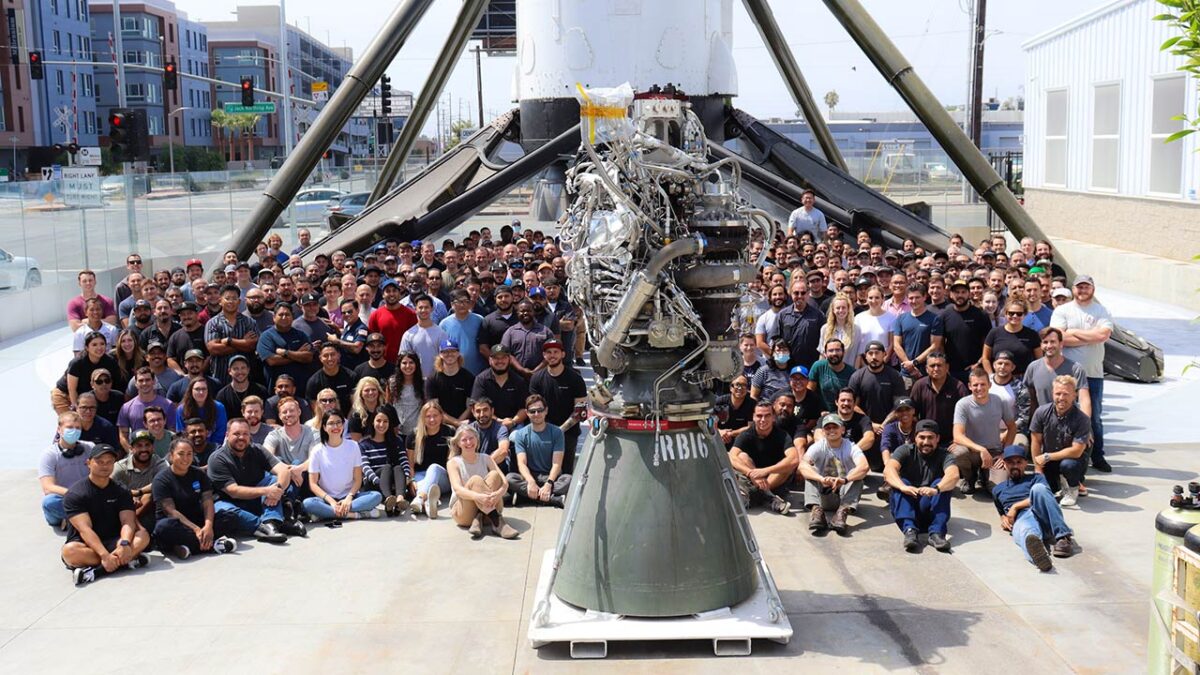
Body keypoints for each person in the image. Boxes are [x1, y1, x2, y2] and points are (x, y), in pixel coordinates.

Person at [59, 444, 152, 586]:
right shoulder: (75, 494)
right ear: (88, 463)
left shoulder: (121, 490)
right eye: (100, 462)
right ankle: (126, 562)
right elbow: (85, 530)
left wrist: (125, 544)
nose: (105, 465)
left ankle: (95, 572)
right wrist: (104, 555)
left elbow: (128, 521)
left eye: (109, 462)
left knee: (143, 536)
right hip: (87, 546)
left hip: (114, 542)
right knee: (69, 552)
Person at [1050, 275, 1112, 473]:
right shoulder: (1062, 310)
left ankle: (1098, 455)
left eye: (1086, 286)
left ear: (1093, 289)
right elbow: (1059, 338)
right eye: (1079, 287)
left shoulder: (1101, 311)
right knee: (1060, 414)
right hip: (1065, 374)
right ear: (1073, 289)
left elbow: (1103, 335)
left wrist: (1074, 332)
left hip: (1093, 373)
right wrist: (1090, 337)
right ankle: (1061, 455)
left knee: (1093, 417)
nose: (1082, 290)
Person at [992, 445, 1077, 571]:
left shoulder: (1036, 478)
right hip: (1022, 519)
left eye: (1019, 462)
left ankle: (1063, 537)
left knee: (1038, 489)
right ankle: (1039, 558)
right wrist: (1004, 519)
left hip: (1042, 514)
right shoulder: (997, 490)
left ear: (1026, 463)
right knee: (1027, 533)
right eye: (1010, 462)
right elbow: (1002, 513)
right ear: (1004, 464)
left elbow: (1044, 497)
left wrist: (1015, 506)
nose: (1015, 465)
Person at [152, 437, 239, 559]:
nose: (185, 458)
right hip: (176, 523)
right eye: (181, 454)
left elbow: (208, 501)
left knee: (230, 517)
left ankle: (189, 546)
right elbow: (171, 512)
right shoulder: (161, 480)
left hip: (196, 518)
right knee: (163, 529)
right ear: (171, 456)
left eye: (189, 454)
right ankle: (213, 544)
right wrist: (196, 529)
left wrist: (208, 526)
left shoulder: (199, 474)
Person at [884, 419, 959, 553]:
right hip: (907, 506)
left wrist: (936, 489)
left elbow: (953, 475)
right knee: (902, 482)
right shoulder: (904, 450)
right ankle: (910, 531)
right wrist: (903, 487)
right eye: (922, 437)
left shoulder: (945, 455)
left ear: (937, 439)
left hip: (929, 508)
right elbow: (889, 470)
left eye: (930, 437)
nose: (926, 442)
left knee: (941, 483)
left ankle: (936, 533)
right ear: (915, 437)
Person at [302, 412, 383, 521]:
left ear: (343, 425)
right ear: (325, 427)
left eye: (338, 423)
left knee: (376, 496)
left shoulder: (353, 446)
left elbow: (358, 480)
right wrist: (332, 502)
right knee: (308, 503)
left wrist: (348, 498)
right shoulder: (317, 450)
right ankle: (355, 515)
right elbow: (313, 484)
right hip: (327, 499)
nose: (335, 427)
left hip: (350, 497)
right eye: (331, 423)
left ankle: (326, 514)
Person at [799, 414, 870, 534]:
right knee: (810, 472)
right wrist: (821, 479)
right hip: (822, 496)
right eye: (828, 428)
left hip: (843, 496)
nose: (831, 430)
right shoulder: (818, 446)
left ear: (842, 429)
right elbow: (802, 465)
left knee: (857, 475)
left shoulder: (851, 447)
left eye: (835, 427)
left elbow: (864, 467)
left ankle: (842, 514)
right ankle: (817, 512)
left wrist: (845, 480)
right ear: (823, 431)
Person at [951, 368, 1016, 495]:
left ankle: (986, 478)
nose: (979, 388)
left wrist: (1005, 453)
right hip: (973, 452)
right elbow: (957, 435)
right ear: (969, 386)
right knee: (958, 453)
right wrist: (981, 449)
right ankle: (970, 479)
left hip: (995, 453)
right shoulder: (962, 404)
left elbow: (1012, 427)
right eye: (975, 385)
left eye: (983, 384)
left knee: (997, 491)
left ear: (989, 385)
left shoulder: (1000, 401)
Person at [447, 425, 518, 539]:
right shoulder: (453, 463)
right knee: (476, 480)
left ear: (477, 439)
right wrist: (478, 497)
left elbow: (504, 482)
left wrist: (499, 493)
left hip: (488, 508)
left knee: (494, 475)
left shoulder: (486, 458)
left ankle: (479, 517)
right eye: (464, 440)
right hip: (464, 512)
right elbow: (458, 490)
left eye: (471, 438)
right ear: (458, 443)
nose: (468, 442)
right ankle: (497, 522)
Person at [1030, 375, 1091, 507]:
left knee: (1068, 465)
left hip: (1073, 460)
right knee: (1044, 490)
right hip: (1050, 461)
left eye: (1066, 394)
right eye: (1058, 393)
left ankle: (1073, 489)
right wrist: (1038, 468)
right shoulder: (1041, 412)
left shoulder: (1082, 419)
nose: (1061, 398)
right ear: (1052, 394)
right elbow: (1036, 441)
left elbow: (1076, 451)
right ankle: (1059, 483)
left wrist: (1047, 456)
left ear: (1074, 395)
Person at [529, 339, 588, 474]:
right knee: (541, 472)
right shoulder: (537, 379)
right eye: (548, 352)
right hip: (542, 430)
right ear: (544, 355)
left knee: (566, 474)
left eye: (556, 352)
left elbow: (580, 411)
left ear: (563, 354)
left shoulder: (575, 379)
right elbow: (534, 408)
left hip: (568, 432)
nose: (552, 355)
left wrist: (559, 431)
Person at [729, 401, 798, 515]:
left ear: (774, 417)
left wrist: (765, 471)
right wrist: (751, 473)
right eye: (759, 416)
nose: (763, 420)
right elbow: (731, 456)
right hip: (753, 478)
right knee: (742, 456)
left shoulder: (782, 435)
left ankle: (758, 495)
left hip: (774, 479)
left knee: (787, 466)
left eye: (767, 415)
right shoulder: (747, 434)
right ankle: (769, 497)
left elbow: (794, 459)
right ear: (753, 417)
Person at [506, 394, 571, 508]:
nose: (536, 414)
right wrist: (531, 482)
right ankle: (551, 499)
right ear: (527, 413)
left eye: (540, 410)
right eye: (532, 411)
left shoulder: (557, 432)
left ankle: (526, 496)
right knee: (510, 478)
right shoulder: (521, 434)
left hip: (551, 477)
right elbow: (521, 463)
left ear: (546, 411)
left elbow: (557, 463)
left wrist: (549, 484)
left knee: (568, 480)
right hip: (530, 477)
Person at [1025, 327, 1092, 426]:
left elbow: (1084, 400)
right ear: (1041, 345)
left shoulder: (1075, 369)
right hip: (1043, 425)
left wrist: (1085, 426)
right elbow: (1030, 400)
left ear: (1061, 344)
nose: (1049, 345)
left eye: (1053, 342)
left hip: (1069, 425)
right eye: (1045, 342)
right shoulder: (1033, 368)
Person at [40, 411, 94, 529]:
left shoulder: (90, 447)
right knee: (49, 502)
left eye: (78, 428)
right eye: (69, 427)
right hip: (63, 499)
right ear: (59, 429)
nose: (74, 431)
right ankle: (80, 520)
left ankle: (75, 521)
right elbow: (48, 487)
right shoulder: (50, 454)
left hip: (87, 498)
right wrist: (74, 494)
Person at [203, 284, 260, 388]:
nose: (231, 301)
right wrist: (243, 343)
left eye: (234, 298)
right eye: (227, 298)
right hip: (220, 377)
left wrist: (229, 341)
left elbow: (252, 346)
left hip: (246, 378)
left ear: (239, 301)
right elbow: (213, 349)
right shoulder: (213, 323)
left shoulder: (249, 322)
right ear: (220, 300)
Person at [359, 409, 411, 516]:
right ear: (372, 422)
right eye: (378, 421)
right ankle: (388, 499)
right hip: (374, 483)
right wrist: (379, 482)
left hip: (393, 485)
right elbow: (365, 467)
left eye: (385, 421)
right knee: (387, 467)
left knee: (398, 468)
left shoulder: (397, 440)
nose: (382, 424)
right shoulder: (364, 444)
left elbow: (404, 461)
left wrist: (406, 477)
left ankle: (399, 500)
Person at [112, 430, 167, 531]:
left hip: (152, 513)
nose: (144, 449)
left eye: (147, 445)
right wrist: (128, 496)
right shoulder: (120, 467)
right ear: (131, 448)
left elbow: (162, 482)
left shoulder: (160, 463)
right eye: (139, 446)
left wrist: (138, 492)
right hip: (123, 510)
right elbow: (108, 486)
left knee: (152, 493)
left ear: (153, 447)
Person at [407, 401, 455, 518]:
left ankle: (420, 498)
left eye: (435, 416)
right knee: (423, 484)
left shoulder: (449, 432)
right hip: (420, 475)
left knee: (434, 467)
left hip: (442, 477)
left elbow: (451, 461)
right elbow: (411, 465)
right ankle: (428, 504)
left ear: (441, 416)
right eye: (428, 416)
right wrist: (411, 480)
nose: (432, 419)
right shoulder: (414, 435)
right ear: (423, 418)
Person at [938, 279, 992, 382]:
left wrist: (979, 363)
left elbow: (988, 343)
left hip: (975, 369)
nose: (960, 295)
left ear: (969, 294)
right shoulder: (944, 315)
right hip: (951, 370)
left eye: (963, 292)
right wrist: (944, 364)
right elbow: (939, 344)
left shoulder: (981, 315)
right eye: (957, 292)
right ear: (951, 295)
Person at [53, 331, 120, 412]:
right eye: (94, 345)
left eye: (102, 344)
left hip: (86, 396)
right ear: (87, 347)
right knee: (72, 422)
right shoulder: (77, 363)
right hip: (65, 395)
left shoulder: (110, 361)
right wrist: (76, 409)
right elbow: (72, 389)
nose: (99, 347)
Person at [848, 340, 908, 431]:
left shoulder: (895, 376)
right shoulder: (857, 376)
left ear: (884, 354)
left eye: (877, 353)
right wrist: (870, 424)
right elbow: (853, 405)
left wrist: (883, 425)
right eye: (870, 353)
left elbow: (900, 404)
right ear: (865, 356)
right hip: (863, 427)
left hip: (889, 427)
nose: (874, 357)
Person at [257, 303, 316, 390]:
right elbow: (272, 360)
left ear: (293, 317)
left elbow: (308, 357)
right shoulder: (266, 336)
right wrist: (298, 353)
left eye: (287, 314)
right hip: (277, 389)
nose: (284, 317)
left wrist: (285, 353)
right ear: (274, 317)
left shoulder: (301, 335)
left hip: (300, 388)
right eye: (281, 315)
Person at [909, 352, 967, 441]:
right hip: (926, 440)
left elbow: (966, 416)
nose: (936, 369)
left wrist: (958, 439)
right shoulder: (919, 385)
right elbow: (912, 414)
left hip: (951, 440)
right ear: (926, 368)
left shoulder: (958, 387)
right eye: (932, 366)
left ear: (947, 367)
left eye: (939, 365)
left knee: (961, 452)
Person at [893, 283, 945, 379]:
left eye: (917, 297)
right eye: (911, 298)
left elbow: (935, 346)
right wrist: (909, 366)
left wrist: (914, 362)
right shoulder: (901, 318)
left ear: (924, 297)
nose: (914, 301)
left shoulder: (934, 319)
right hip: (906, 373)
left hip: (926, 373)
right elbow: (896, 345)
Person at [471, 345, 529, 430]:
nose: (500, 361)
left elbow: (524, 408)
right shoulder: (481, 380)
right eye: (496, 358)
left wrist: (513, 422)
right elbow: (477, 407)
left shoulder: (519, 381)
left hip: (514, 424)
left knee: (516, 437)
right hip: (487, 423)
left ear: (509, 359)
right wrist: (499, 421)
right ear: (490, 360)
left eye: (503, 358)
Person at [983, 299, 1043, 377]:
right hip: (998, 379)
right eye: (1011, 313)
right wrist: (991, 376)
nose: (1015, 316)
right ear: (1005, 314)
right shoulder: (994, 333)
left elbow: (1039, 360)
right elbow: (985, 358)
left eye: (1019, 314)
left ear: (1024, 315)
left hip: (1023, 379)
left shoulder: (1032, 335)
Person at [773, 278, 824, 369]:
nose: (799, 296)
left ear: (808, 294)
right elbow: (776, 340)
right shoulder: (782, 315)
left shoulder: (818, 315)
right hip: (787, 365)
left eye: (803, 293)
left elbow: (823, 341)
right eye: (796, 293)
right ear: (791, 294)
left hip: (811, 365)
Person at [368, 279, 419, 363]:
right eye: (388, 291)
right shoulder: (375, 315)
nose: (391, 294)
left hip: (405, 363)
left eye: (394, 291)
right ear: (383, 295)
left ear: (399, 293)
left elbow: (415, 340)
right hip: (383, 362)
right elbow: (372, 341)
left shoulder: (411, 314)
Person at [425, 339, 475, 424]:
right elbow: (434, 407)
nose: (449, 354)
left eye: (453, 351)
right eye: (445, 352)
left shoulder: (469, 377)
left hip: (464, 423)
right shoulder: (432, 379)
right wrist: (456, 423)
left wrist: (459, 423)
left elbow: (471, 406)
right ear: (440, 354)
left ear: (458, 353)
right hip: (440, 423)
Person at [399, 295, 448, 378]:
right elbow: (403, 359)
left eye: (426, 307)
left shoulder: (441, 333)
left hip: (436, 380)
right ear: (415, 309)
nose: (423, 310)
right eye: (420, 307)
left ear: (432, 309)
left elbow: (445, 358)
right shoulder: (408, 334)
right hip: (415, 381)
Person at [440, 289, 485, 374]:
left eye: (466, 301)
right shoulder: (444, 324)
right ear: (452, 304)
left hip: (477, 371)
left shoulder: (479, 320)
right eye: (459, 302)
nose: (462, 305)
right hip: (454, 371)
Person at [304, 342, 356, 414]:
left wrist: (346, 423)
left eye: (332, 354)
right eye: (325, 355)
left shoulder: (351, 376)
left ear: (339, 355)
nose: (329, 358)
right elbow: (315, 410)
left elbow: (355, 405)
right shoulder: (314, 381)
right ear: (320, 358)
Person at [175, 377, 228, 445]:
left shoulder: (219, 408)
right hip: (190, 448)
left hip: (213, 448)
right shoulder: (181, 409)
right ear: (191, 391)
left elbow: (220, 433)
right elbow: (181, 434)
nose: (201, 392)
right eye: (197, 389)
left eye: (204, 389)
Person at [808, 338, 855, 413]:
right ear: (825, 353)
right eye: (830, 350)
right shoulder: (818, 366)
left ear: (843, 352)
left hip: (844, 414)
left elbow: (854, 401)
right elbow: (810, 392)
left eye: (838, 350)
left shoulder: (852, 373)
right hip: (821, 413)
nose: (834, 353)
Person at [469, 397, 512, 473]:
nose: (482, 414)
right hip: (472, 471)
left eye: (485, 410)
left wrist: (481, 467)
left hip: (496, 471)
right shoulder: (468, 430)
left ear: (492, 411)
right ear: (473, 412)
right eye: (478, 411)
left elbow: (503, 451)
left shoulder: (500, 428)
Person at [391, 352, 427, 436]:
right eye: (404, 363)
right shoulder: (392, 383)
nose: (408, 366)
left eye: (411, 362)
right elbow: (388, 406)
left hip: (417, 431)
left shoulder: (423, 383)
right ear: (399, 365)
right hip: (397, 432)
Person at [718, 375, 756, 450]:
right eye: (737, 384)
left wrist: (731, 434)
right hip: (720, 439)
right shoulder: (720, 402)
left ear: (747, 389)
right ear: (731, 388)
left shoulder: (752, 404)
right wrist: (719, 432)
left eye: (744, 385)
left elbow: (751, 427)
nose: (740, 388)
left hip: (742, 441)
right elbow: (709, 421)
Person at [751, 337, 794, 403]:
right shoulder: (763, 371)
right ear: (773, 353)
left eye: (785, 350)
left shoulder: (793, 372)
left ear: (789, 353)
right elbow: (753, 396)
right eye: (778, 350)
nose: (781, 353)